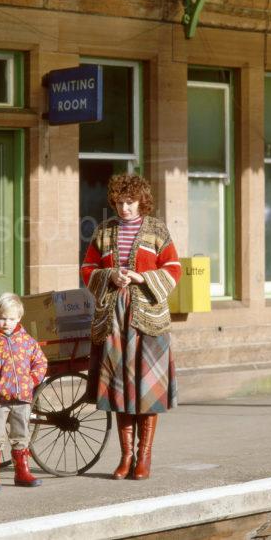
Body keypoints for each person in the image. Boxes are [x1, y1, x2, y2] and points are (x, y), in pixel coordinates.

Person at [81, 174, 181, 481]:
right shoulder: (104, 231)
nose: (124, 208)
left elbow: (174, 268)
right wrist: (110, 275)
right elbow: (87, 268)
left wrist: (142, 278)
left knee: (146, 391)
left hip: (148, 319)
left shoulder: (157, 230)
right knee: (120, 390)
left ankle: (144, 457)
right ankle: (125, 457)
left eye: (130, 202)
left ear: (141, 202)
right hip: (113, 319)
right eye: (120, 202)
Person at [0, 292, 47, 490]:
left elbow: (40, 362)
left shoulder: (27, 342)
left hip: (22, 398)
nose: (6, 323)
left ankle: (22, 472)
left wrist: (31, 381)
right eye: (2, 318)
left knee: (21, 433)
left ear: (19, 318)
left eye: (11, 319)